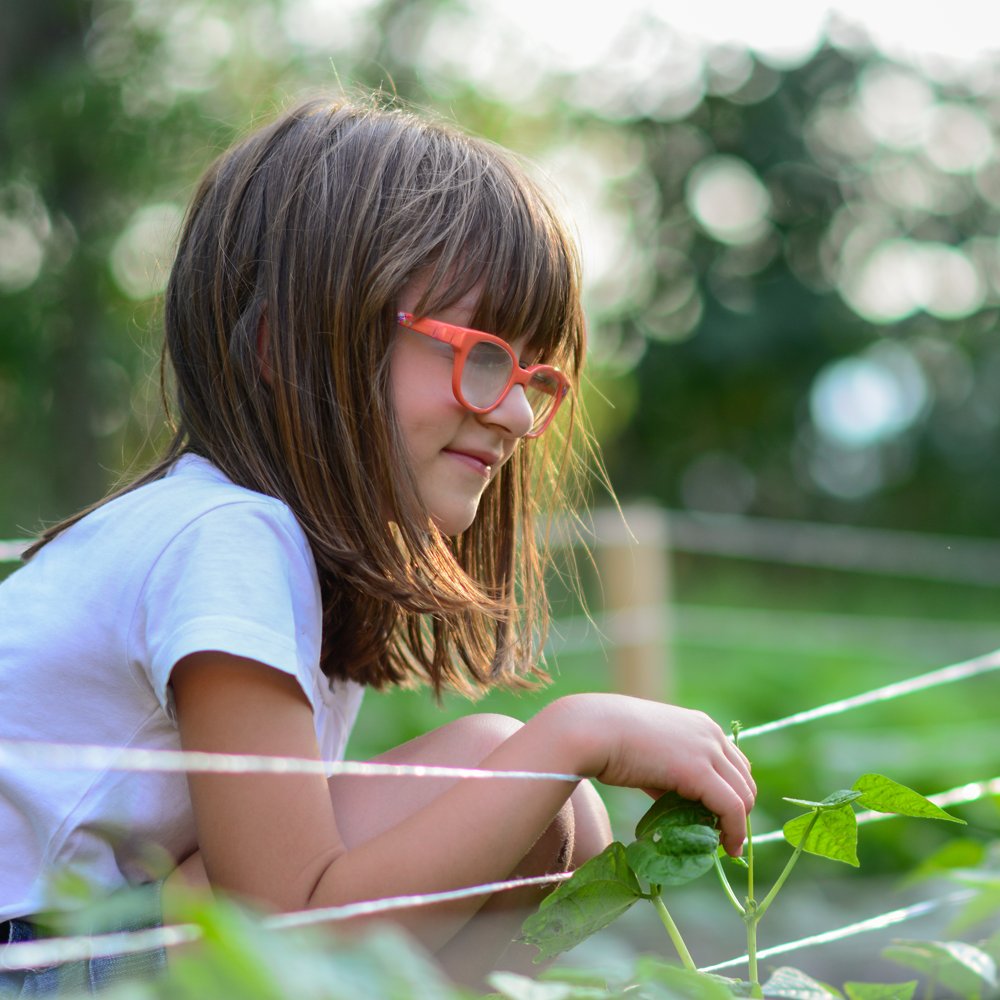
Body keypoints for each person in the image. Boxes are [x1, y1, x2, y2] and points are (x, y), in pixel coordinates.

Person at [0, 94, 755, 992]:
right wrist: (571, 735)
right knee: (499, 772)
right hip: (36, 961)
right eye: (481, 355)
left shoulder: (281, 548)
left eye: (532, 372)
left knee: (553, 821)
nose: (516, 412)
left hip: (78, 942)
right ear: (289, 348)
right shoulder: (226, 535)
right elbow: (288, 927)